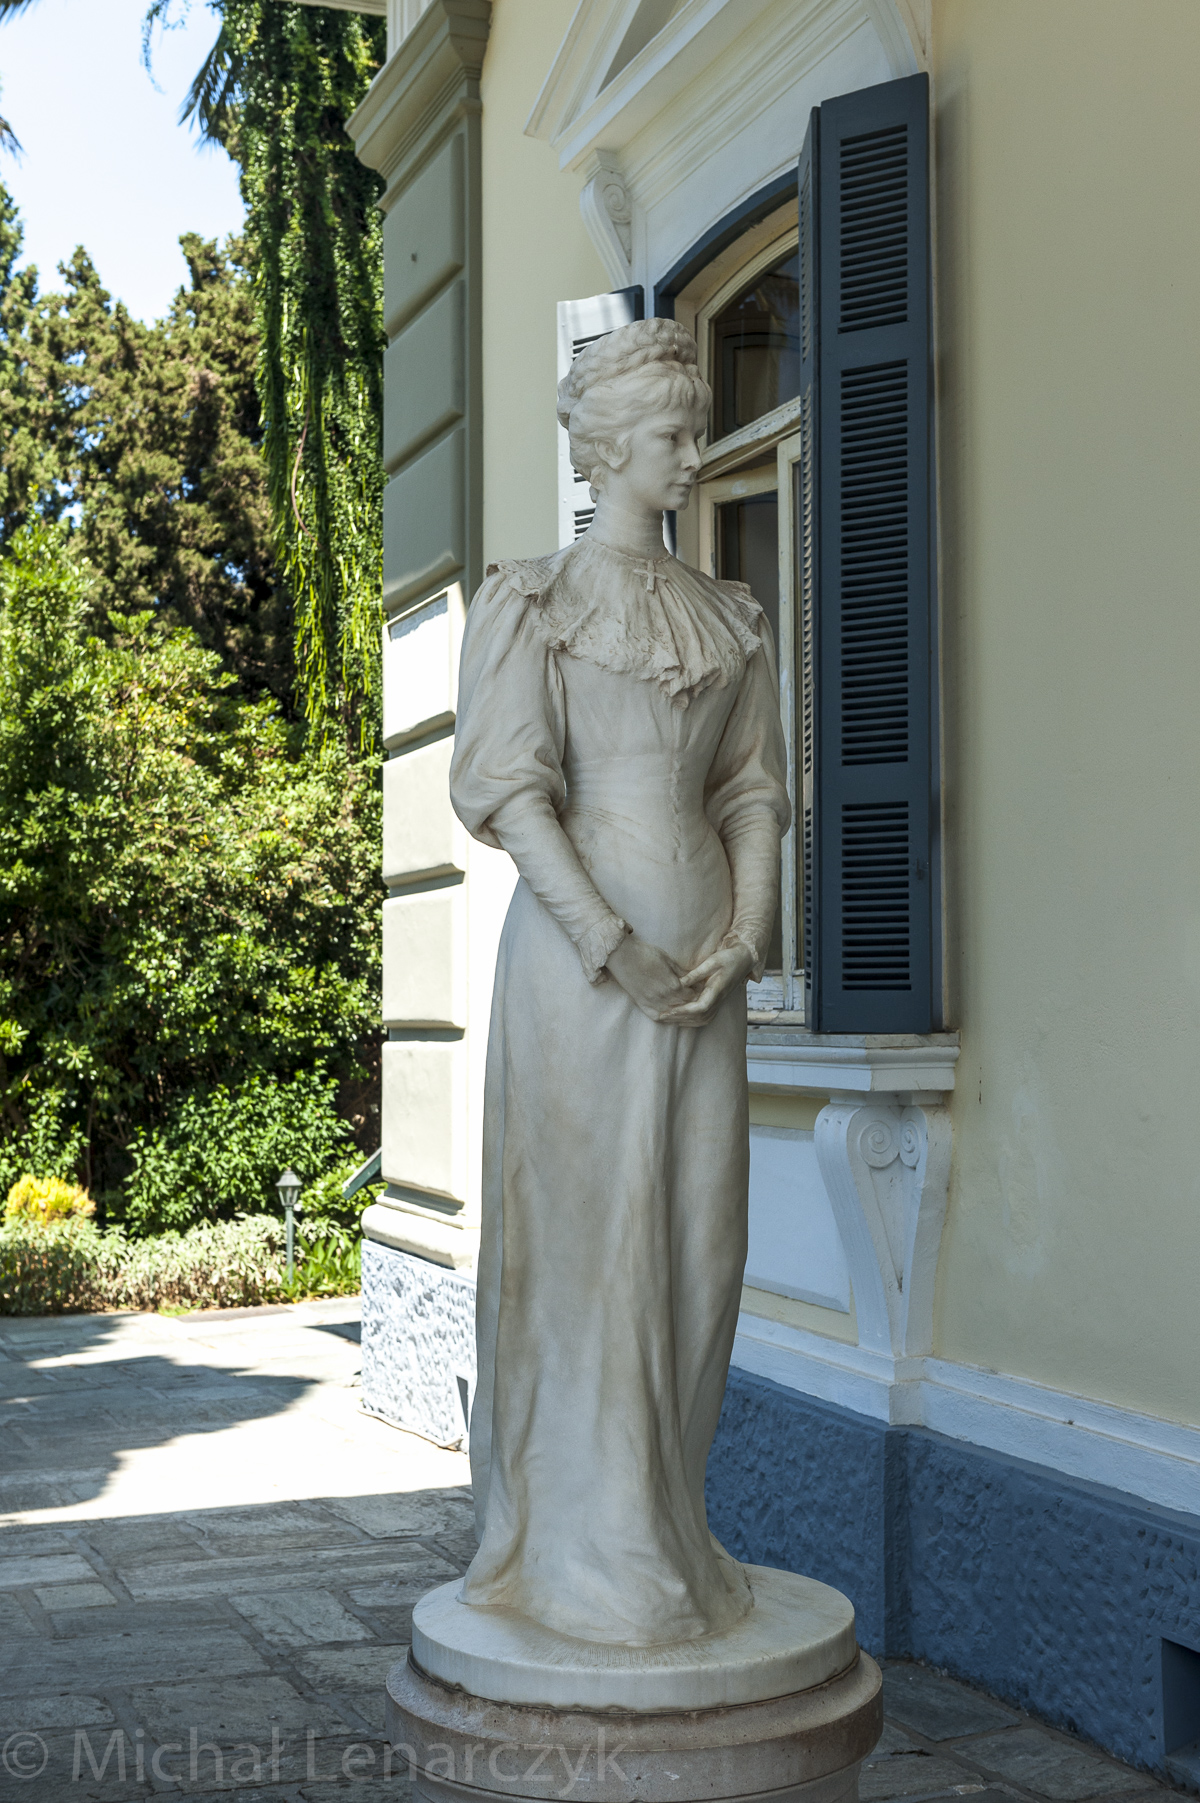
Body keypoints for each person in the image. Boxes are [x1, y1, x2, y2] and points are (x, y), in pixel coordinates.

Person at [448, 317, 790, 1647]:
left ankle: (668, 1525)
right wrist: (611, 941)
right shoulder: (531, 603)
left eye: (696, 433)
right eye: (671, 436)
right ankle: (584, 1554)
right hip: (580, 976)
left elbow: (751, 790)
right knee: (593, 1246)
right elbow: (510, 795)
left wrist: (746, 934)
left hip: (705, 973)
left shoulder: (729, 616)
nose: (694, 457)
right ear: (603, 450)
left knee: (701, 1244)